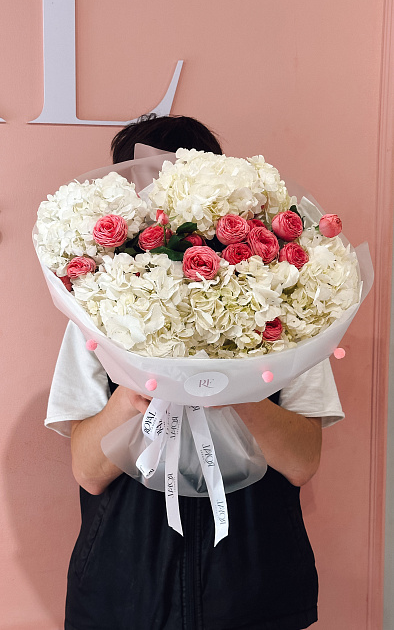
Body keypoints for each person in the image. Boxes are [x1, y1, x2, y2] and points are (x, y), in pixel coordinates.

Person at [45, 114, 345, 630]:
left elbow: (302, 462)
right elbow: (88, 473)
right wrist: (138, 386)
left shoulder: (285, 309)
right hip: (124, 593)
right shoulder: (96, 313)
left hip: (255, 589)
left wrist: (238, 384)